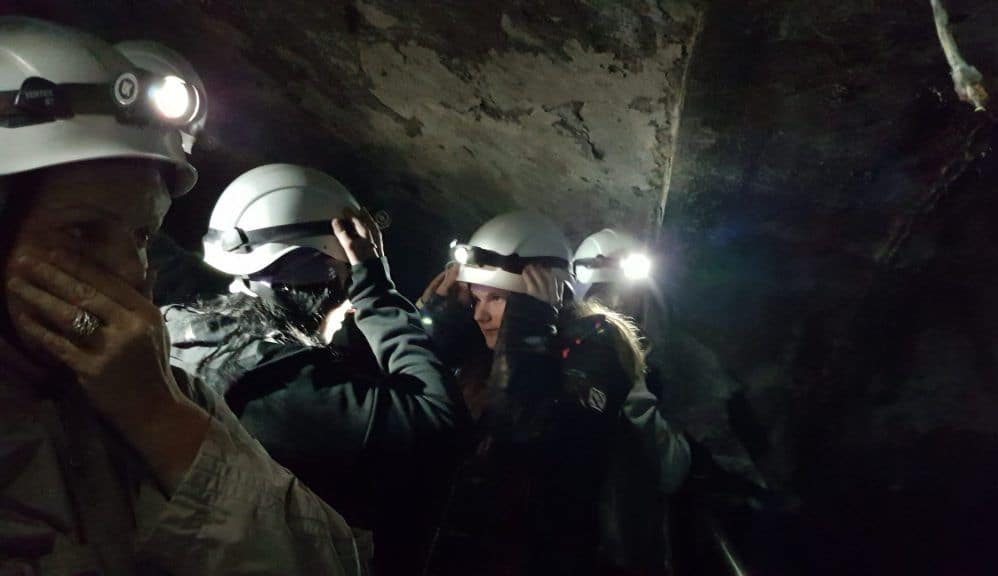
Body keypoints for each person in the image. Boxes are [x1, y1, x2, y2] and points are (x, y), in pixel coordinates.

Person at [0, 17, 370, 574]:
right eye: (81, 233)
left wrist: (158, 420)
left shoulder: (158, 386)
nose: (133, 270)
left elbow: (329, 561)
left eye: (144, 236)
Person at [163, 163, 468, 575]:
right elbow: (440, 421)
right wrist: (376, 288)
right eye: (346, 280)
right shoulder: (276, 388)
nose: (349, 304)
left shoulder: (183, 330)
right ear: (319, 274)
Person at [417, 210, 641, 575]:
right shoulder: (483, 353)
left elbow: (530, 439)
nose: (480, 315)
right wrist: (431, 331)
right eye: (476, 299)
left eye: (497, 299)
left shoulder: (596, 339)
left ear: (542, 295)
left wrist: (527, 332)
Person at [574, 228, 692, 575]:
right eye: (604, 299)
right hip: (597, 547)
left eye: (625, 298)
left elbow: (672, 468)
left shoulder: (663, 367)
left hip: (622, 548)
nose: (617, 310)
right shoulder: (570, 369)